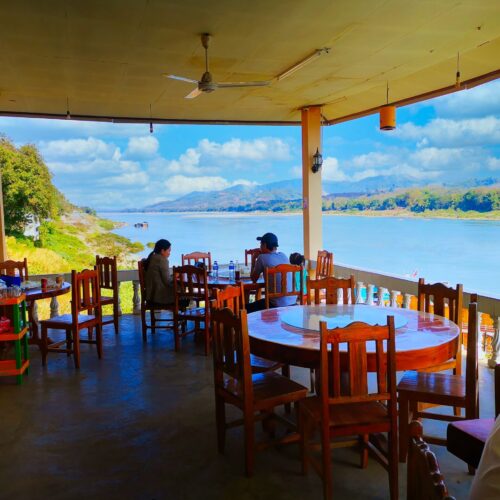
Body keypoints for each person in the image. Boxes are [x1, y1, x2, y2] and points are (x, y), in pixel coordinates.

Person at [247, 232, 296, 313]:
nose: (259, 247)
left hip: (275, 305)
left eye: (261, 244)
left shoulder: (261, 258)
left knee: (245, 308)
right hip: (292, 302)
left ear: (265, 245)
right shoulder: (283, 255)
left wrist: (253, 260)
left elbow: (254, 279)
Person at [143, 239, 174, 306]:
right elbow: (167, 281)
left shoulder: (152, 257)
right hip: (158, 299)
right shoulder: (162, 260)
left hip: (150, 297)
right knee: (184, 296)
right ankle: (181, 316)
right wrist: (175, 276)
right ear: (162, 251)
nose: (169, 253)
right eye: (169, 250)